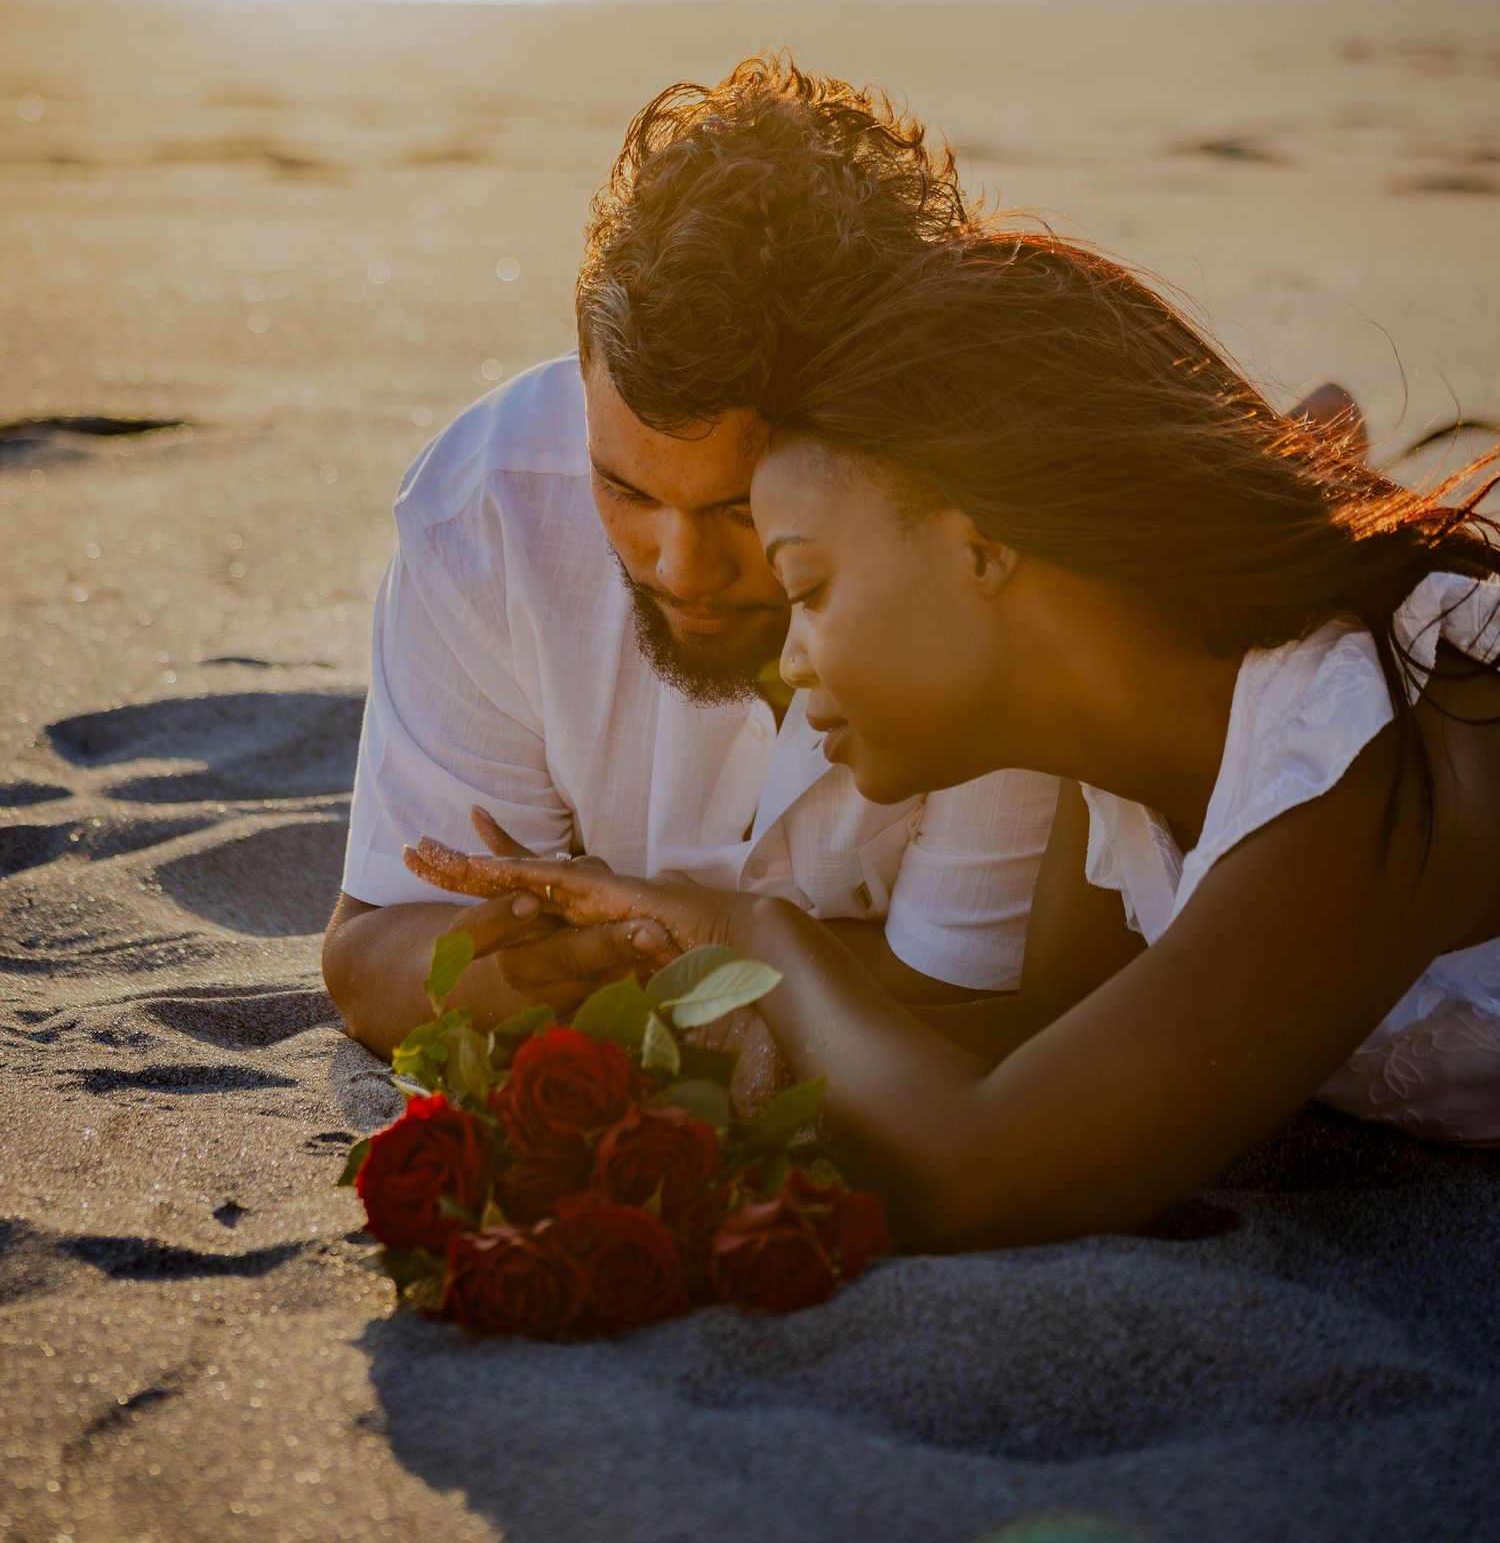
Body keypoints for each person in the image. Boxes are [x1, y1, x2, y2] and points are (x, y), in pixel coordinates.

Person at [406, 226, 1500, 1250]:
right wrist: (666, 954)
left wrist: (752, 933)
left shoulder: (1367, 741)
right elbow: (1039, 1045)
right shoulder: (1117, 781)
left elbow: (983, 1167)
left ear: (984, 550)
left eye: (812, 586)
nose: (790, 661)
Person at [323, 64, 1062, 1058]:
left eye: (739, 508)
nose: (680, 567)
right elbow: (370, 955)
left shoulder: (986, 544)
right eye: (625, 492)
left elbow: (975, 1002)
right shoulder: (490, 507)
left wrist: (689, 955)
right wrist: (523, 977)